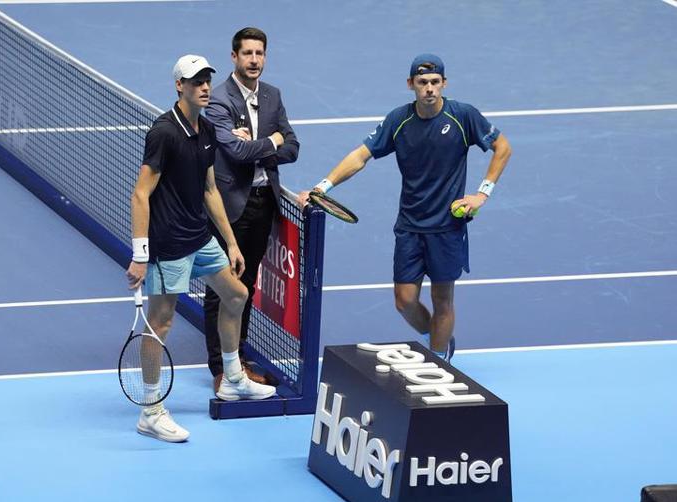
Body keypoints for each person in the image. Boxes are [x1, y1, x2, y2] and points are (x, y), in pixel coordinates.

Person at [299, 53, 511, 363]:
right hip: (410, 225)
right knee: (405, 301)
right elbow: (360, 156)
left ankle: (440, 362)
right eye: (423, 82)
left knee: (442, 300)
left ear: (444, 84)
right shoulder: (399, 121)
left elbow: (502, 148)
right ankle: (438, 338)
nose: (429, 88)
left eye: (435, 82)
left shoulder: (463, 116)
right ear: (410, 84)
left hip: (446, 228)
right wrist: (322, 186)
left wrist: (482, 194)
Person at [126, 54, 276, 443]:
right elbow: (141, 193)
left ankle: (232, 379)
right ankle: (151, 411)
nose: (205, 86)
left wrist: (229, 241)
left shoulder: (206, 130)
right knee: (160, 323)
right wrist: (141, 254)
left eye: (207, 79)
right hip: (169, 244)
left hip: (199, 237)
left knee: (237, 295)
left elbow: (210, 190)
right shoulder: (164, 133)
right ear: (180, 86)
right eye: (196, 81)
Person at [202, 27, 300, 391]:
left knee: (248, 282)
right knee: (222, 287)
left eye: (259, 53)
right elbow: (235, 153)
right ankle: (219, 367)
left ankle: (237, 357)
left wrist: (263, 142)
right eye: (247, 54)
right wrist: (270, 141)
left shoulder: (272, 96)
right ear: (234, 57)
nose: (254, 60)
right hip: (229, 207)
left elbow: (293, 147)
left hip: (263, 204)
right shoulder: (219, 99)